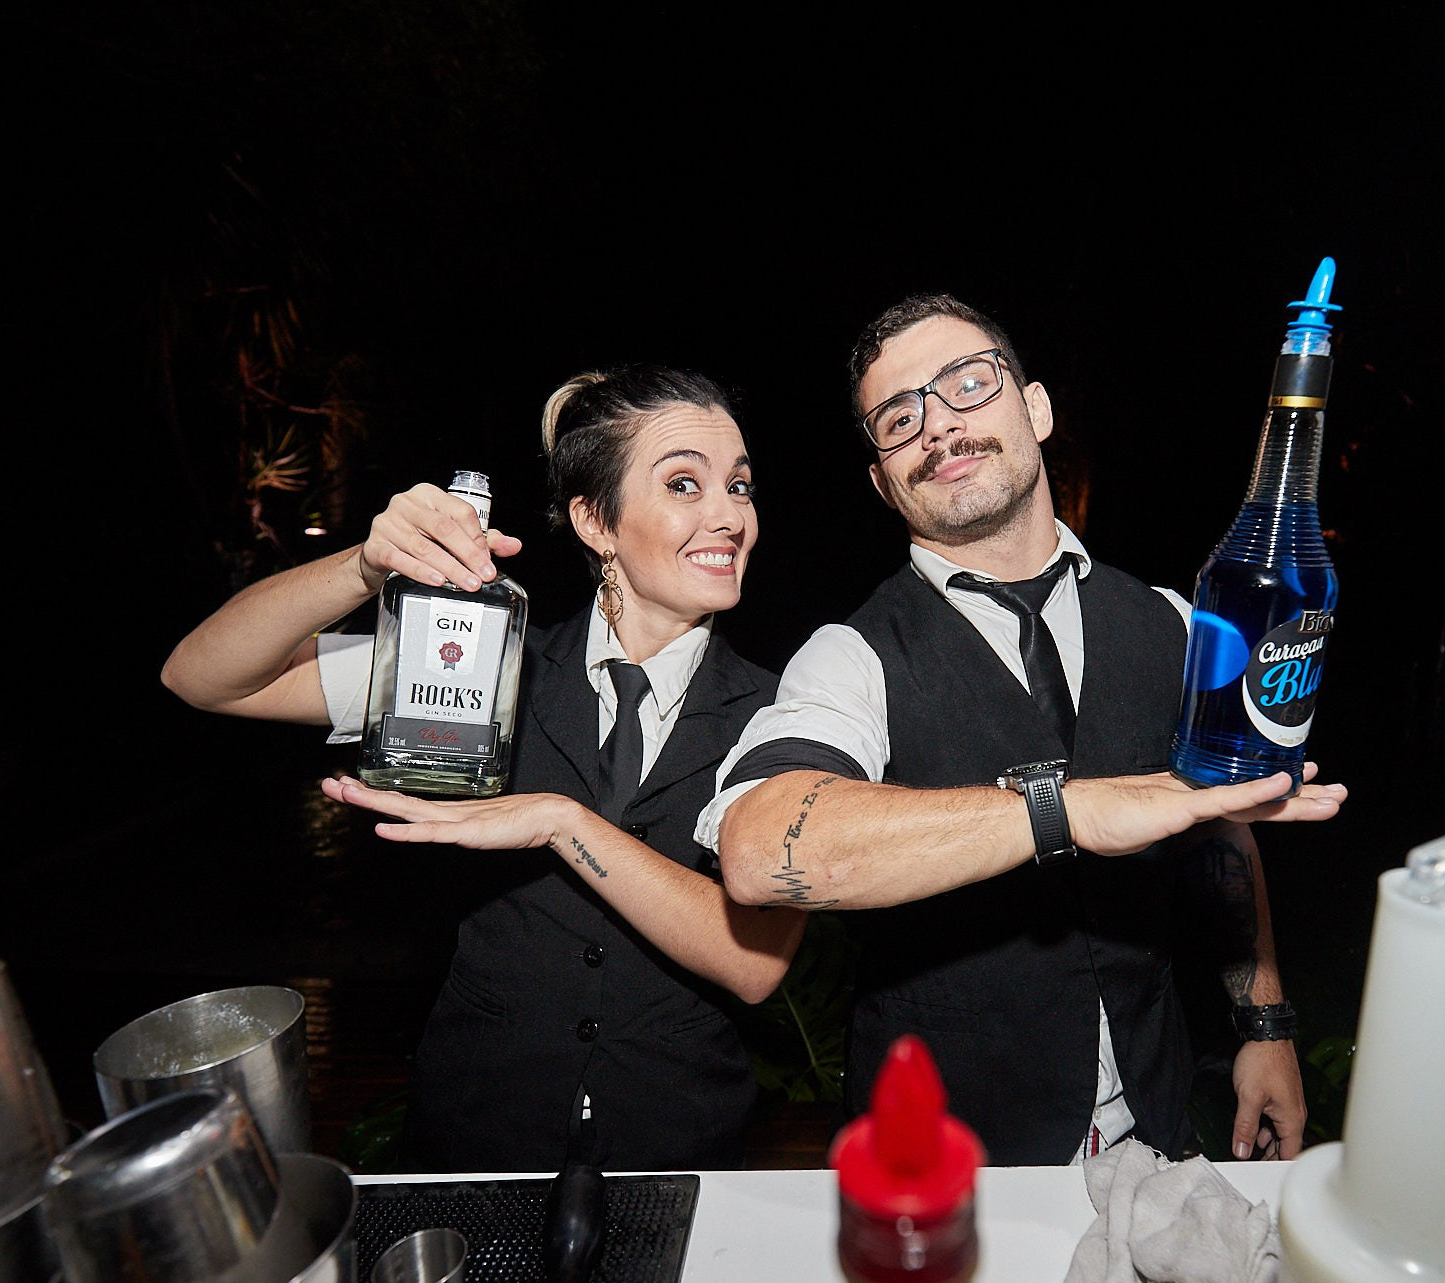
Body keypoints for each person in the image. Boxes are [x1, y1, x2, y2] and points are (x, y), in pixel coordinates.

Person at [698, 295, 1348, 1168]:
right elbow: (756, 846)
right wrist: (1063, 810)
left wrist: (1265, 1025)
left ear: (1035, 409)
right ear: (883, 481)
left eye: (968, 383)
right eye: (900, 419)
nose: (939, 425)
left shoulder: (1171, 620)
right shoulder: (851, 655)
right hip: (947, 1167)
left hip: (1155, 1139)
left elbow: (1222, 832)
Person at [161, 365, 803, 1172]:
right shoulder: (477, 663)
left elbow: (753, 962)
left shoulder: (782, 713)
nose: (729, 515)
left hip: (675, 1155)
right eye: (684, 483)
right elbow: (205, 678)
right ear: (595, 520)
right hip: (479, 1146)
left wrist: (560, 821)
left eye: (740, 486)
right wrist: (363, 567)